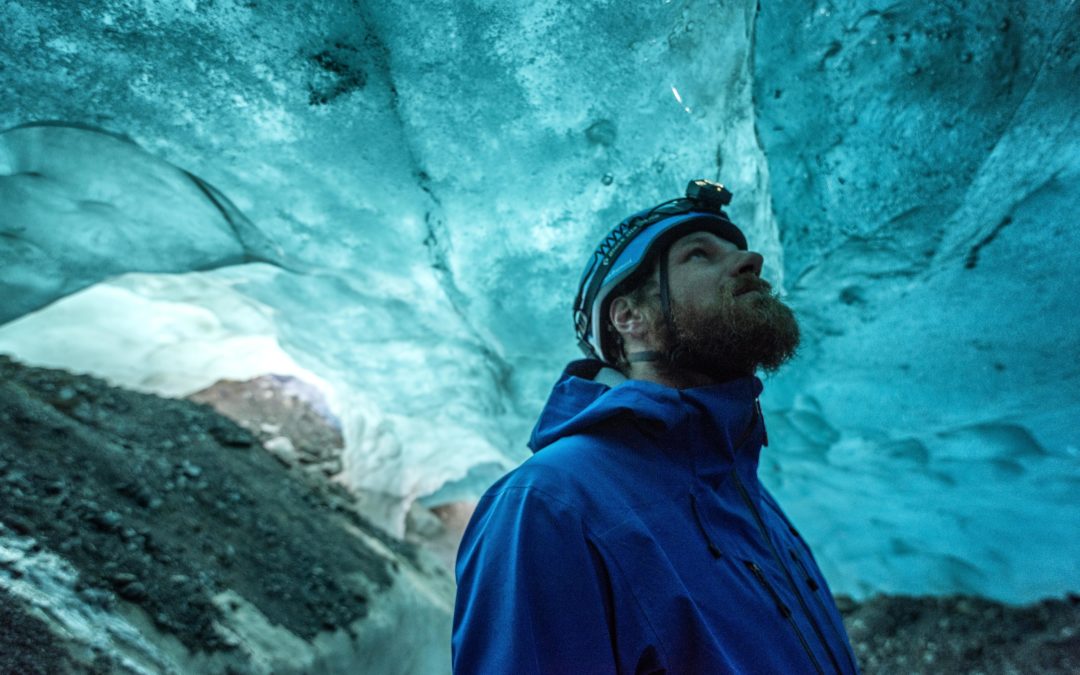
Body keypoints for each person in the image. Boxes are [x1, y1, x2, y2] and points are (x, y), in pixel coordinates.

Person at [452, 180, 860, 674]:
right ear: (628, 316)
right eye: (699, 256)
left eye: (739, 250)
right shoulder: (549, 504)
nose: (749, 261)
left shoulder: (744, 490)